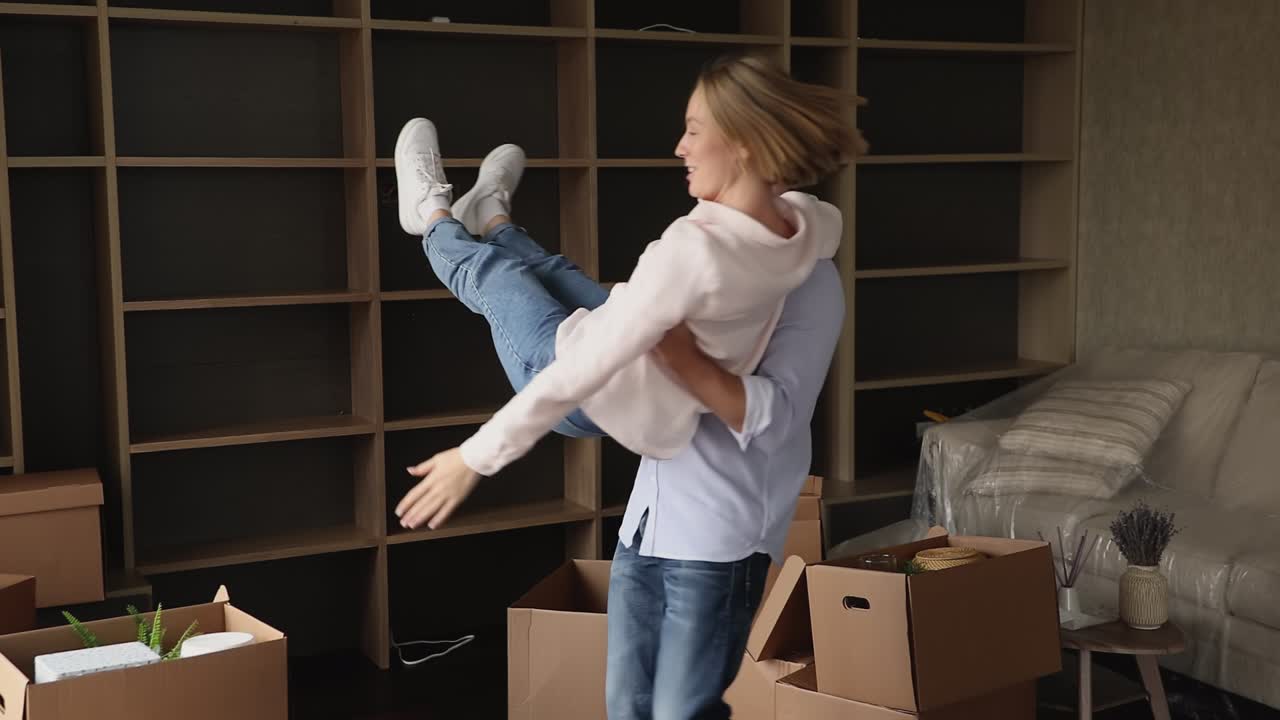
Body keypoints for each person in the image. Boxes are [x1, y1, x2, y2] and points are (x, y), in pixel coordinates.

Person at [393, 54, 864, 534]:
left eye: (694, 131)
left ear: (743, 146)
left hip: (577, 384)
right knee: (554, 271)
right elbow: (817, 223)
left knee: (496, 274)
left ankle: (431, 215)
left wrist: (473, 458)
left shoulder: (692, 252)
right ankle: (492, 215)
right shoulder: (810, 220)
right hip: (627, 350)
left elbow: (579, 372)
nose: (680, 147)